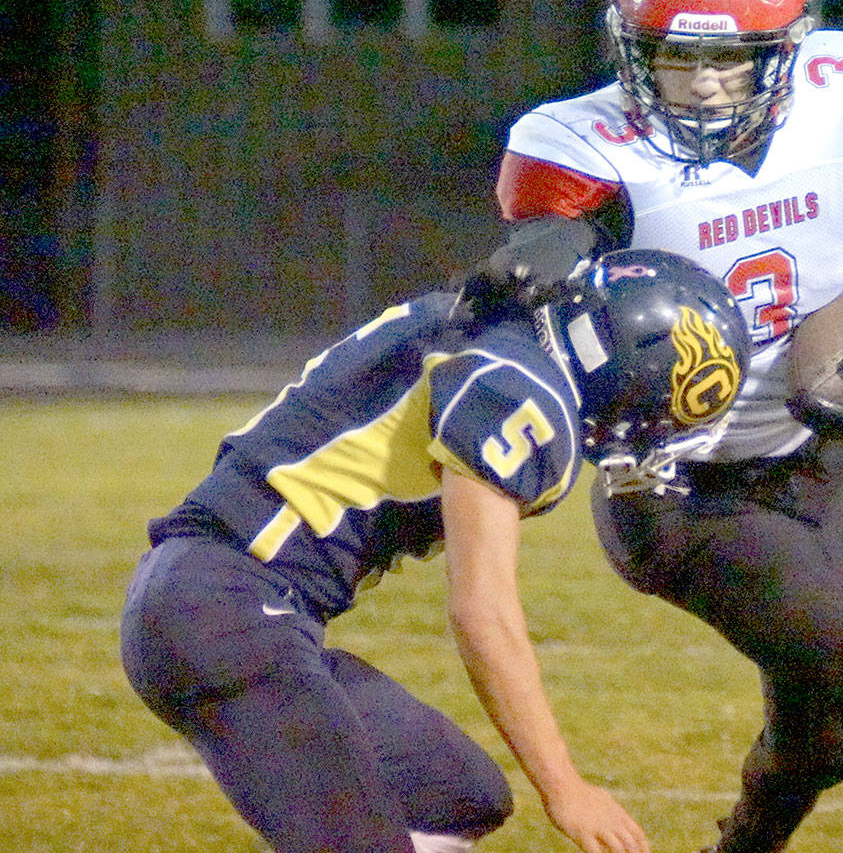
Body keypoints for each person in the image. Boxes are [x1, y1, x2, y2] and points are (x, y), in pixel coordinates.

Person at [474, 0, 843, 853]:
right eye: (678, 55)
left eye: (729, 58)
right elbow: (535, 281)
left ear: (785, 47)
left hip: (814, 459)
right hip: (678, 491)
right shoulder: (586, 152)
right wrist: (528, 273)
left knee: (822, 730)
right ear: (633, 46)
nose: (705, 85)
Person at [119, 248, 752, 853]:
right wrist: (566, 789)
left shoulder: (487, 323)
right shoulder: (520, 390)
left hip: (220, 601)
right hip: (228, 614)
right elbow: (482, 612)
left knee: (453, 795)